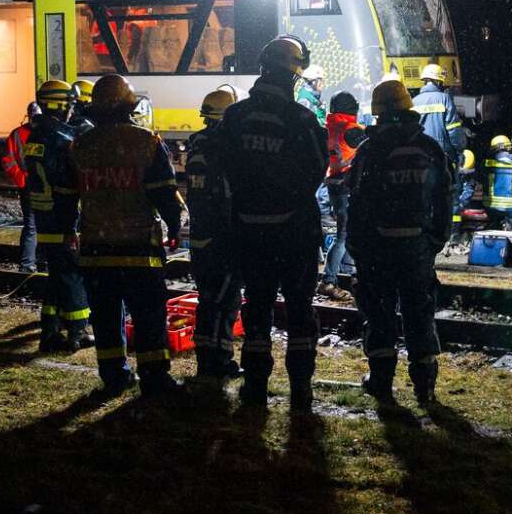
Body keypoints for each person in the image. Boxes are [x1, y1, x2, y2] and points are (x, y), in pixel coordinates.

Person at [215, 35, 328, 412]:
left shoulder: (235, 117)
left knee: (257, 309)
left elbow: (224, 171)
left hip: (250, 232)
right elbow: (316, 170)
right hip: (295, 234)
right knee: (299, 312)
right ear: (292, 76)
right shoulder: (302, 120)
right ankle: (300, 392)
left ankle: (256, 389)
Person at [68, 74, 184, 398]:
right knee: (148, 317)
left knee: (105, 318)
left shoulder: (80, 146)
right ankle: (154, 377)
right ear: (130, 107)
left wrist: (67, 232)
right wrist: (175, 228)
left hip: (95, 250)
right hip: (139, 252)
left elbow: (66, 196)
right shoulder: (147, 142)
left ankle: (114, 376)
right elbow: (165, 193)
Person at [347, 78, 451, 407]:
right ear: (408, 109)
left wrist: (358, 248)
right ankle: (425, 389)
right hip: (416, 249)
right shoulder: (429, 148)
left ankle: (381, 383)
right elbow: (444, 198)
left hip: (377, 251)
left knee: (379, 316)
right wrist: (435, 239)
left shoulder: (369, 151)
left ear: (378, 114)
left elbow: (357, 204)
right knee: (419, 315)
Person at [25, 80, 93, 354]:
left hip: (43, 216)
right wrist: (71, 227)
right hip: (62, 218)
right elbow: (67, 188)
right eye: (69, 105)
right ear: (59, 106)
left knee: (56, 275)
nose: (71, 111)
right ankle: (78, 332)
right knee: (74, 274)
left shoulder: (37, 135)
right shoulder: (60, 141)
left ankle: (49, 331)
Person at [184, 87, 243, 380]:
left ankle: (206, 358)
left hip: (199, 233)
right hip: (223, 235)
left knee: (208, 298)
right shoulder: (227, 147)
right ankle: (218, 361)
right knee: (225, 300)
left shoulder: (197, 144)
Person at [318, 90, 364, 297]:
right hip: (347, 184)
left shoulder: (328, 127)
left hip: (333, 182)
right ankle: (328, 280)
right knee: (344, 234)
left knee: (346, 231)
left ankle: (349, 271)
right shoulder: (351, 129)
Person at [2, 100, 44, 273]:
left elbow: (8, 159)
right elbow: (8, 160)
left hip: (32, 185)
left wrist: (21, 179)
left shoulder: (18, 134)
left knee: (33, 226)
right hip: (36, 186)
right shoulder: (39, 133)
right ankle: (30, 264)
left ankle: (30, 264)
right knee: (35, 225)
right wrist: (21, 178)